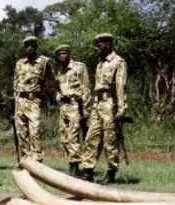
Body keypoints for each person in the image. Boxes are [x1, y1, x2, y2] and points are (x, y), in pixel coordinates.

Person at [80, 33, 128, 184]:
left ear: (108, 44)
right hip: (97, 104)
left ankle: (111, 173)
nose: (97, 48)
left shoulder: (118, 62)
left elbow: (121, 86)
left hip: (110, 104)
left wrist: (121, 108)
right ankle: (88, 171)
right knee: (91, 138)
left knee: (110, 140)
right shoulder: (100, 64)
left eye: (99, 45)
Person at [12, 35, 56, 163]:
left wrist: (44, 93)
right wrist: (16, 98)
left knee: (34, 131)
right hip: (20, 101)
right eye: (27, 46)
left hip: (34, 100)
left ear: (36, 47)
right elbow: (15, 82)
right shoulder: (19, 63)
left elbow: (52, 80)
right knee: (21, 132)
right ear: (24, 48)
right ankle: (26, 161)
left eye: (32, 46)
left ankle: (37, 161)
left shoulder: (44, 62)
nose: (29, 48)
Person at [54, 44, 92, 177]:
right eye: (59, 54)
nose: (61, 56)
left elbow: (86, 89)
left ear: (69, 54)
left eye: (64, 53)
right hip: (64, 107)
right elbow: (58, 89)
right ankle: (71, 163)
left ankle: (75, 167)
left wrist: (85, 111)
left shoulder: (79, 67)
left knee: (73, 136)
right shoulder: (60, 71)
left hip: (77, 105)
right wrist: (58, 98)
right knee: (64, 138)